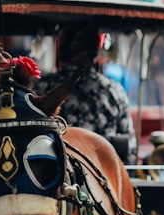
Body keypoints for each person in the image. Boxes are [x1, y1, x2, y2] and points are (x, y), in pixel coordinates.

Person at [35, 24, 136, 163]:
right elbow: (129, 149)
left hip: (56, 172)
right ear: (95, 53)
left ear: (63, 50)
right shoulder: (114, 91)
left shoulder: (43, 87)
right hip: (104, 174)